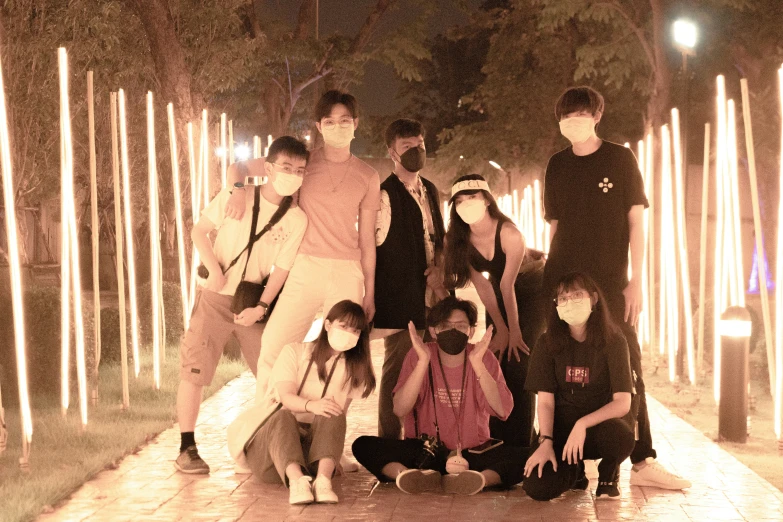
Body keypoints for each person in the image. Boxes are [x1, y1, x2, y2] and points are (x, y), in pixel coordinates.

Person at [542, 85, 690, 490]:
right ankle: (560, 451)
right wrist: (551, 287)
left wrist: (636, 280)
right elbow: (554, 226)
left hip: (610, 282)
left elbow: (636, 222)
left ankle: (643, 460)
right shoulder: (556, 164)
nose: (572, 122)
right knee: (561, 366)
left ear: (596, 116)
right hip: (564, 281)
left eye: (580, 114)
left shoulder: (621, 159)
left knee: (630, 366)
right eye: (565, 116)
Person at [227, 90, 381, 397]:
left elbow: (367, 239)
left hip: (347, 271)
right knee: (275, 343)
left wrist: (370, 292)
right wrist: (237, 191)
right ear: (319, 126)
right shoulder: (302, 162)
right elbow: (240, 167)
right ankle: (265, 420)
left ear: (356, 124)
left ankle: (325, 424)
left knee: (344, 352)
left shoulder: (368, 175)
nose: (338, 126)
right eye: (329, 120)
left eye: (344, 120)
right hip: (304, 266)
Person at [175, 136, 309, 474]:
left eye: (299, 170)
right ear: (269, 168)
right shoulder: (237, 195)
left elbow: (282, 269)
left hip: (253, 304)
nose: (292, 174)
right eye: (285, 167)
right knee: (195, 369)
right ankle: (186, 447)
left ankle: (274, 445)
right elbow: (199, 232)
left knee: (272, 374)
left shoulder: (296, 219)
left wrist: (262, 306)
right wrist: (214, 268)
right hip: (214, 298)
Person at [352, 297, 526, 495]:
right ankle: (407, 476)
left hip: (472, 454)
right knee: (363, 445)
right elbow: (400, 408)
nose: (453, 331)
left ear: (471, 330)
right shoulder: (419, 354)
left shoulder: (483, 356)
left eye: (461, 326)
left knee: (530, 456)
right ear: (433, 330)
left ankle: (478, 480)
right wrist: (422, 362)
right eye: (445, 326)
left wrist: (477, 364)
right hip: (425, 452)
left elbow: (502, 410)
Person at [227, 300, 376, 505]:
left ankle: (322, 481)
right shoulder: (295, 352)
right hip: (273, 454)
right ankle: (297, 482)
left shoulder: (353, 368)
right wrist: (312, 405)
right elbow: (285, 397)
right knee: (283, 416)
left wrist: (332, 453)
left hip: (310, 456)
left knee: (335, 412)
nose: (349, 334)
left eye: (356, 331)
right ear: (327, 325)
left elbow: (339, 417)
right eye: (343, 326)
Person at [443, 174, 544, 449]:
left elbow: (507, 284)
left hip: (532, 288)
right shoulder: (459, 239)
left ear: (487, 200)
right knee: (497, 358)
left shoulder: (509, 233)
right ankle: (498, 437)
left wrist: (515, 333)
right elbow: (486, 288)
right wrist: (500, 330)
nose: (467, 205)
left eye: (473, 197)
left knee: (520, 360)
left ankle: (522, 443)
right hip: (500, 291)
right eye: (460, 201)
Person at [523, 272, 636, 501]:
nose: (569, 302)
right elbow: (545, 402)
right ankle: (575, 473)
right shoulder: (546, 343)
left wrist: (583, 424)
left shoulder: (614, 340)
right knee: (537, 487)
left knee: (622, 436)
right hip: (561, 433)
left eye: (577, 295)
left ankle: (608, 472)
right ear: (556, 306)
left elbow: (623, 402)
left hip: (602, 429)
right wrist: (545, 441)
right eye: (562, 298)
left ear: (593, 299)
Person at [373, 118, 449, 440]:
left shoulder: (430, 189)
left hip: (434, 297)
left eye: (420, 145)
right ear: (392, 152)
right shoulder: (384, 195)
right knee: (397, 371)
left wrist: (441, 272)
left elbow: (439, 237)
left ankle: (424, 438)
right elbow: (376, 246)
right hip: (401, 297)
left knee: (429, 370)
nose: (416, 151)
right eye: (408, 147)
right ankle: (389, 442)